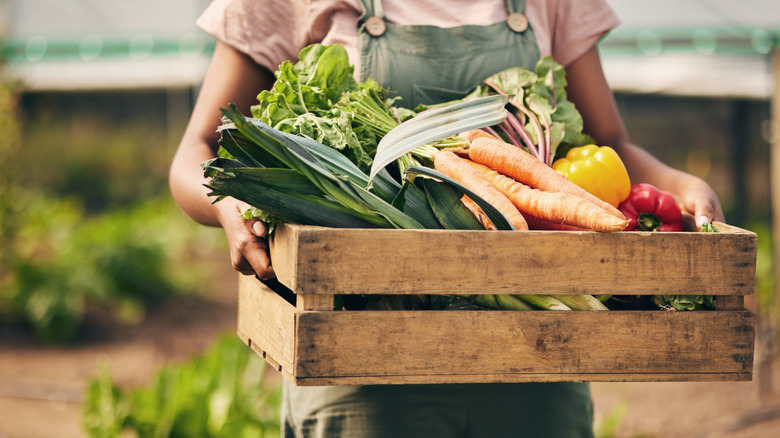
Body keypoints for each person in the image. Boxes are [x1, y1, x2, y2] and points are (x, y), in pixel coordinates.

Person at [169, 0, 726, 436]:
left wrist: (682, 186)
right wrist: (232, 207)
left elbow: (610, 144)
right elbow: (195, 151)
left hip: (540, 353)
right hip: (361, 362)